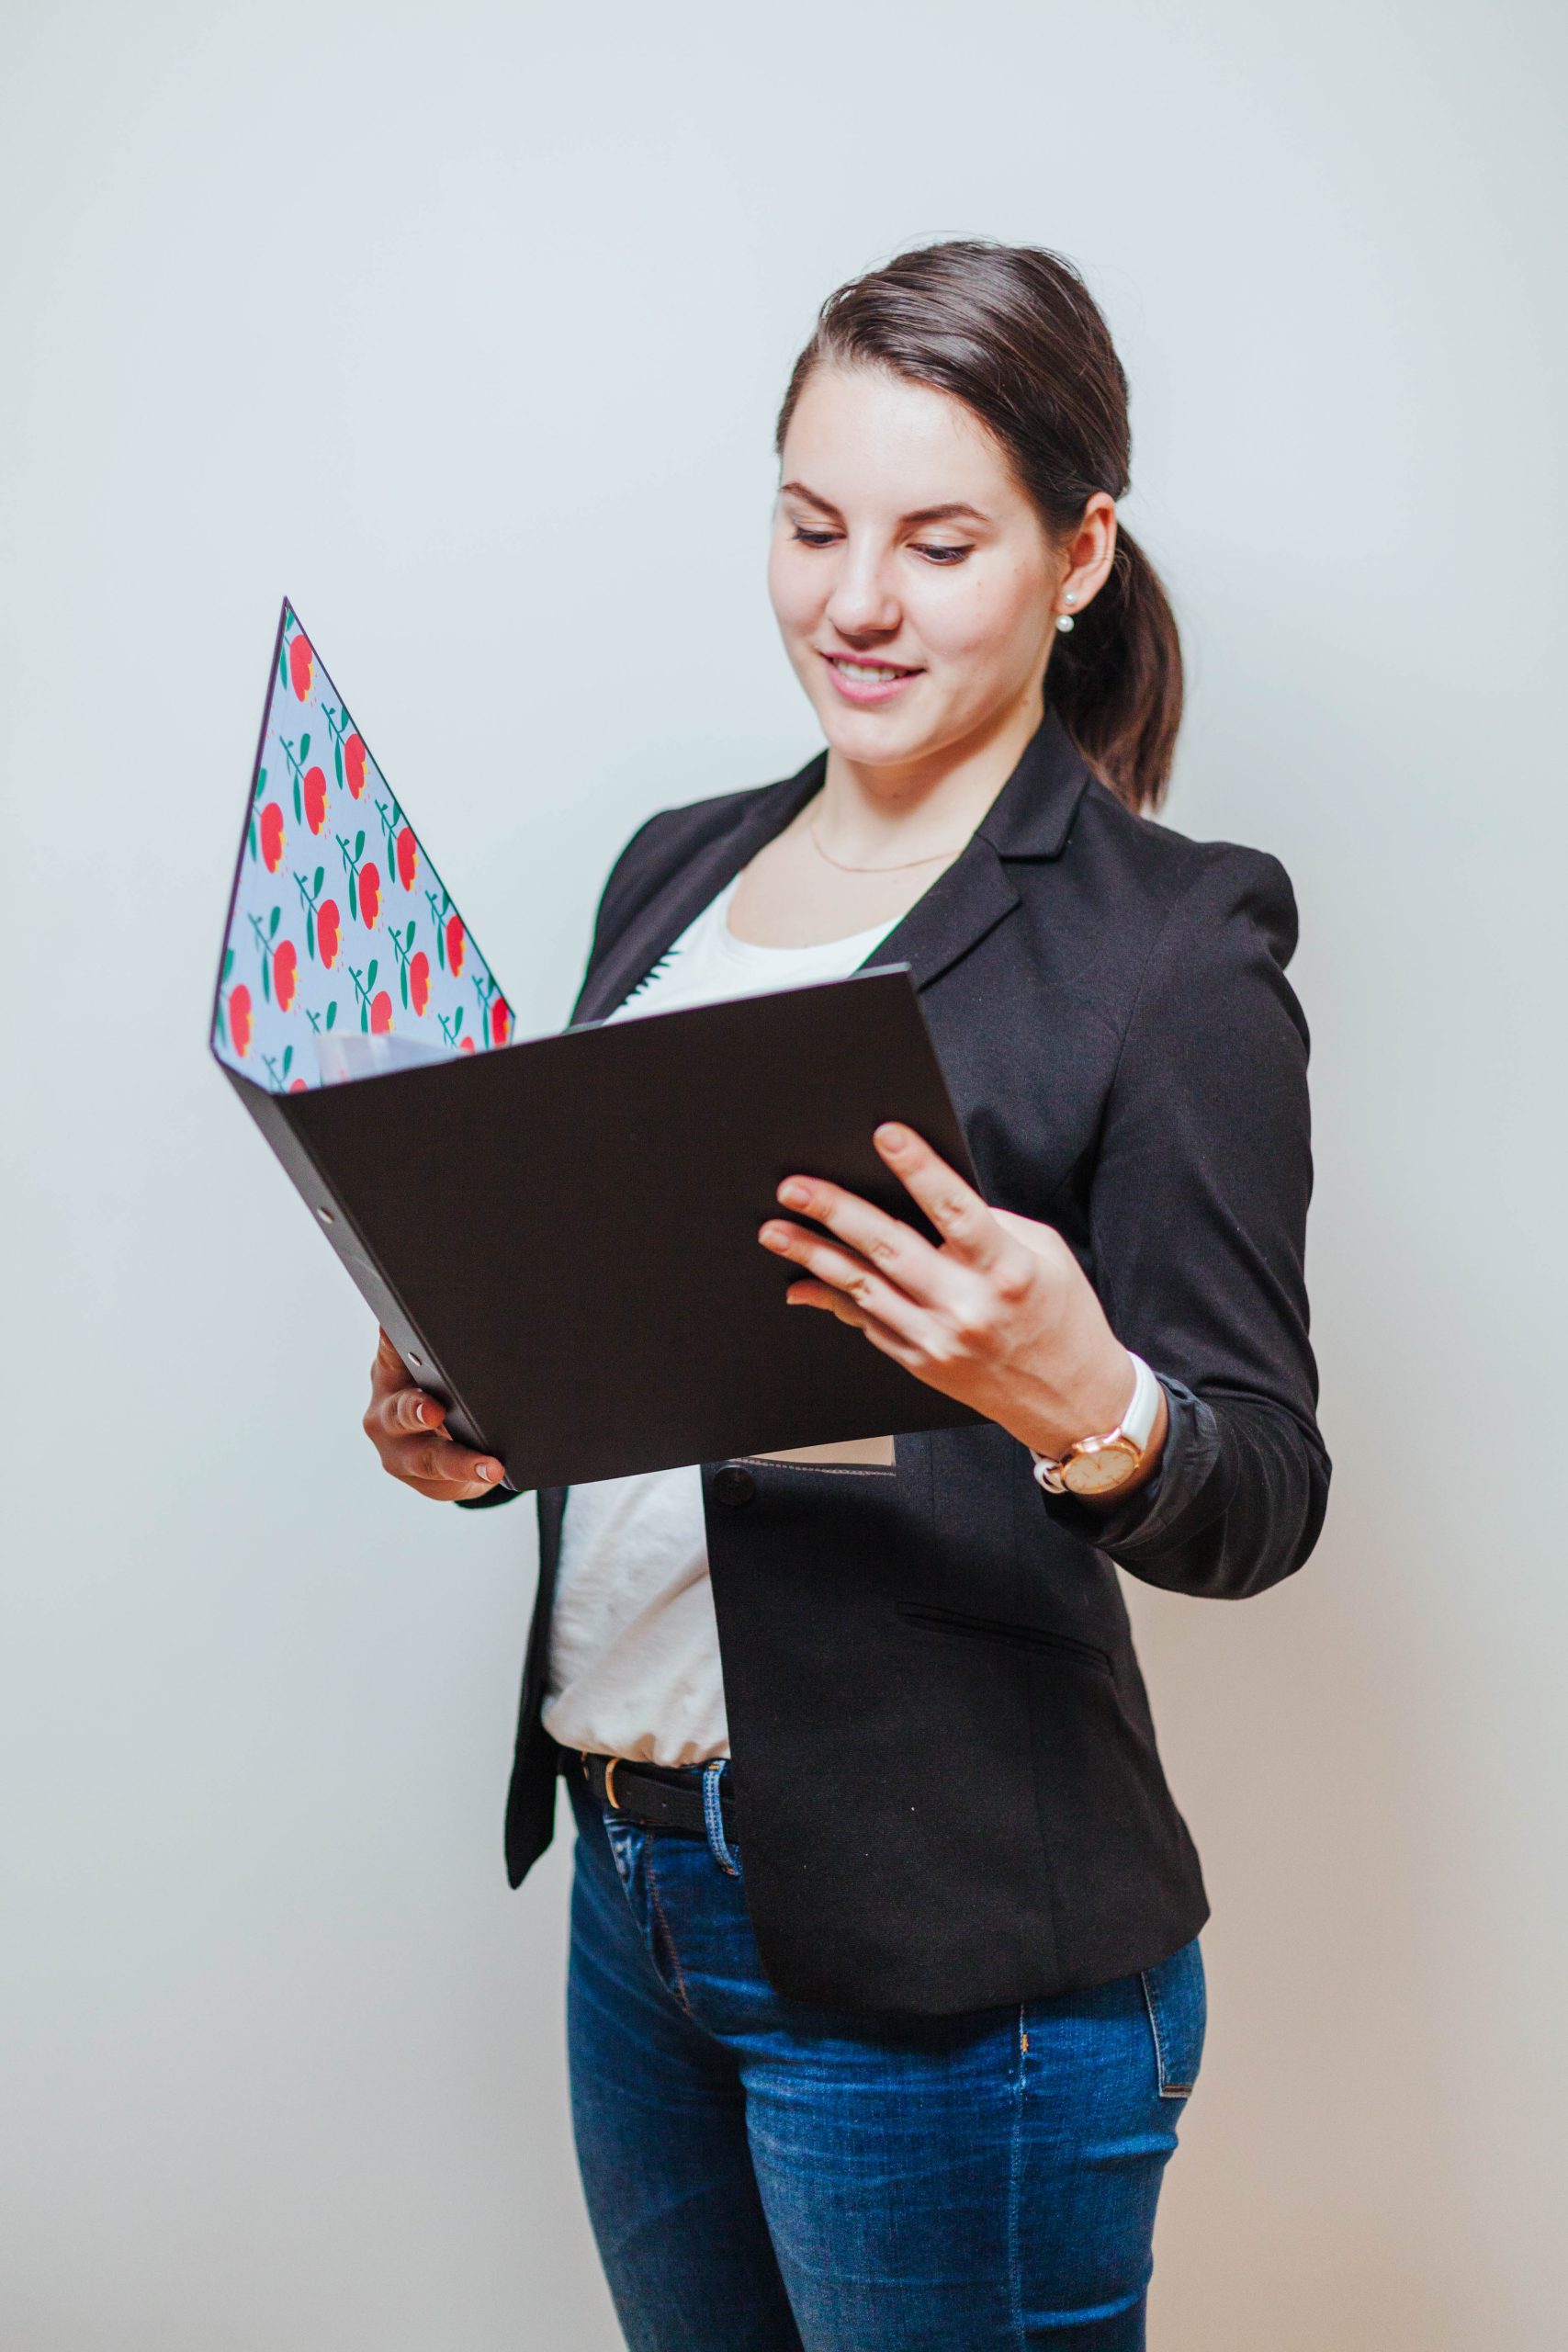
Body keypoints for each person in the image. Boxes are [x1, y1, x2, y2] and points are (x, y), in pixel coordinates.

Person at [361, 241, 1329, 2351]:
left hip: (947, 1963)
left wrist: (1088, 1397)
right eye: (808, 526)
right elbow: (655, 1341)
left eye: (937, 539)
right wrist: (482, 1399)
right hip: (636, 1891)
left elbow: (1260, 1484)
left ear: (1079, 555)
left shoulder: (1169, 949)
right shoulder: (669, 871)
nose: (852, 600)